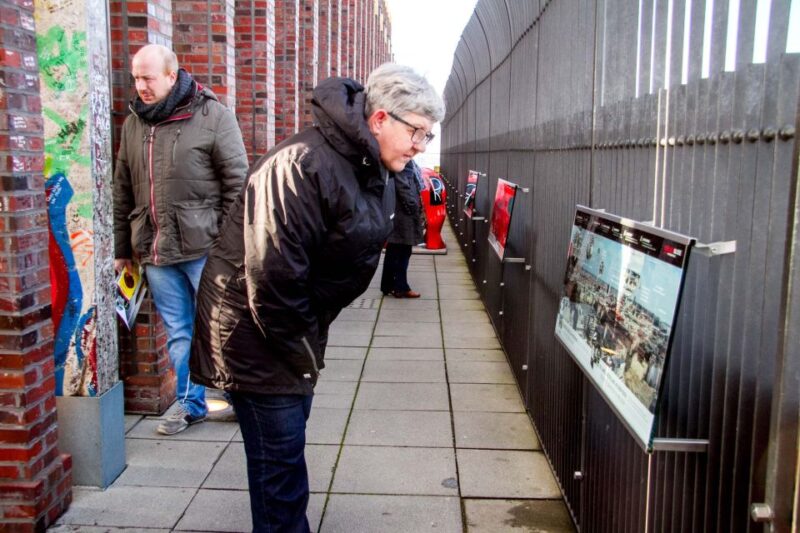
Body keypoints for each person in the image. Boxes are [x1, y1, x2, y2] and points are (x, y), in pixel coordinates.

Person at [189, 63, 444, 532]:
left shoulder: (368, 163)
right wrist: (304, 353)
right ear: (380, 119)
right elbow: (273, 280)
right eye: (418, 132)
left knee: (283, 456)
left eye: (428, 136)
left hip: (292, 327)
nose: (420, 146)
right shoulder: (304, 164)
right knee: (279, 466)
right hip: (257, 333)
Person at [113, 44, 248, 436]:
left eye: (148, 77)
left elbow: (238, 185)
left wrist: (229, 243)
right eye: (136, 77)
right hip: (155, 249)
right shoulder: (134, 123)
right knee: (179, 330)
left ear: (172, 76)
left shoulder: (213, 116)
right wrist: (124, 248)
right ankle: (191, 403)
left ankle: (244, 399)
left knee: (223, 328)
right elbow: (122, 188)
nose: (140, 85)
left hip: (206, 248)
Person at [380, 159, 425, 298]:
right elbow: (403, 187)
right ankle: (401, 287)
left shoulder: (400, 160)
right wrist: (413, 207)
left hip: (399, 212)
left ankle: (387, 285)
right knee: (403, 251)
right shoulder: (402, 162)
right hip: (403, 215)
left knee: (393, 250)